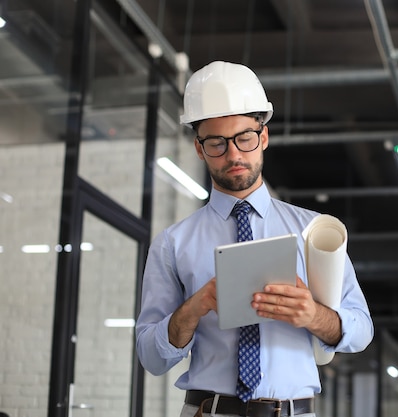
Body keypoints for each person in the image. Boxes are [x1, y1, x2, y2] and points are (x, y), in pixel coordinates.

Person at [135, 60, 374, 417]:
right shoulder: (173, 243)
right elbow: (151, 357)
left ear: (263, 137)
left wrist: (313, 315)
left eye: (244, 138)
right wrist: (194, 308)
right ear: (199, 149)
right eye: (216, 143)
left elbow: (362, 330)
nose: (233, 154)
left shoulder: (314, 232)